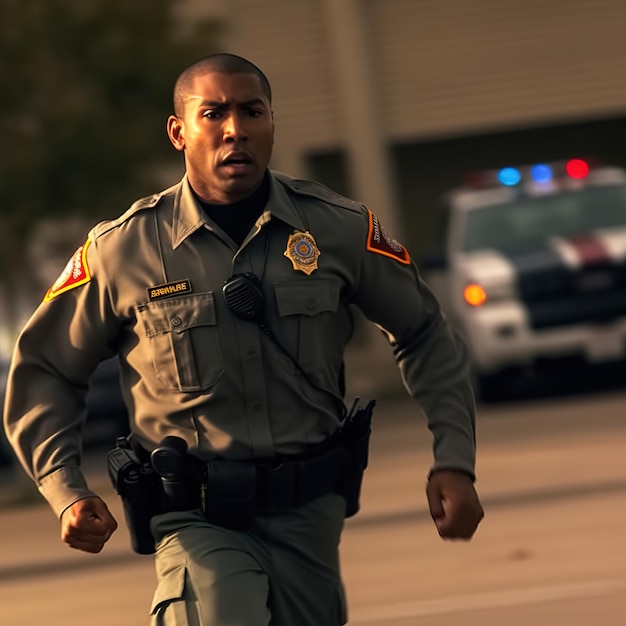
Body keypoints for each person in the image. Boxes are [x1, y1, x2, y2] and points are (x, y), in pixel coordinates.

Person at [3, 53, 484, 625]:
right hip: (196, 519)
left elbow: (425, 332)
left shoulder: (337, 228)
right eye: (214, 114)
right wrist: (67, 490)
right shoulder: (122, 250)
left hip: (311, 514)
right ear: (179, 132)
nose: (236, 129)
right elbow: (45, 370)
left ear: (272, 123)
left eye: (252, 111)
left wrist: (453, 460)